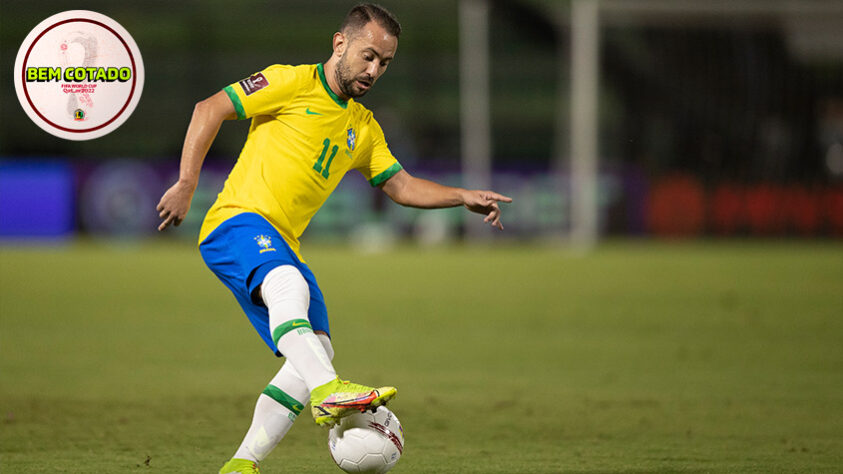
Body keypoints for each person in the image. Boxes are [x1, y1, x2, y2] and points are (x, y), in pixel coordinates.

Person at [156, 4, 512, 473]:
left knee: (316, 349)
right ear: (339, 44)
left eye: (384, 63)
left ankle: (242, 464)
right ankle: (330, 391)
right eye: (368, 56)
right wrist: (186, 183)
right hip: (235, 222)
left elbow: (399, 185)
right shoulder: (289, 81)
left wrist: (461, 196)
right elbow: (211, 108)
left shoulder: (362, 127)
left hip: (282, 240)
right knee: (290, 286)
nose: (374, 70)